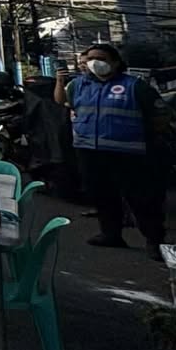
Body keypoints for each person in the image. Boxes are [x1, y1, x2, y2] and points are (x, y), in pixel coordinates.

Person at [59, 43, 162, 251]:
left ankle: (155, 240)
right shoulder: (78, 85)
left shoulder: (134, 86)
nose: (94, 63)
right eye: (90, 59)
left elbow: (159, 115)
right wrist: (59, 81)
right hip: (89, 149)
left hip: (128, 153)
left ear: (115, 63)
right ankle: (110, 233)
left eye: (101, 58)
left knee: (140, 198)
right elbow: (65, 103)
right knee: (101, 195)